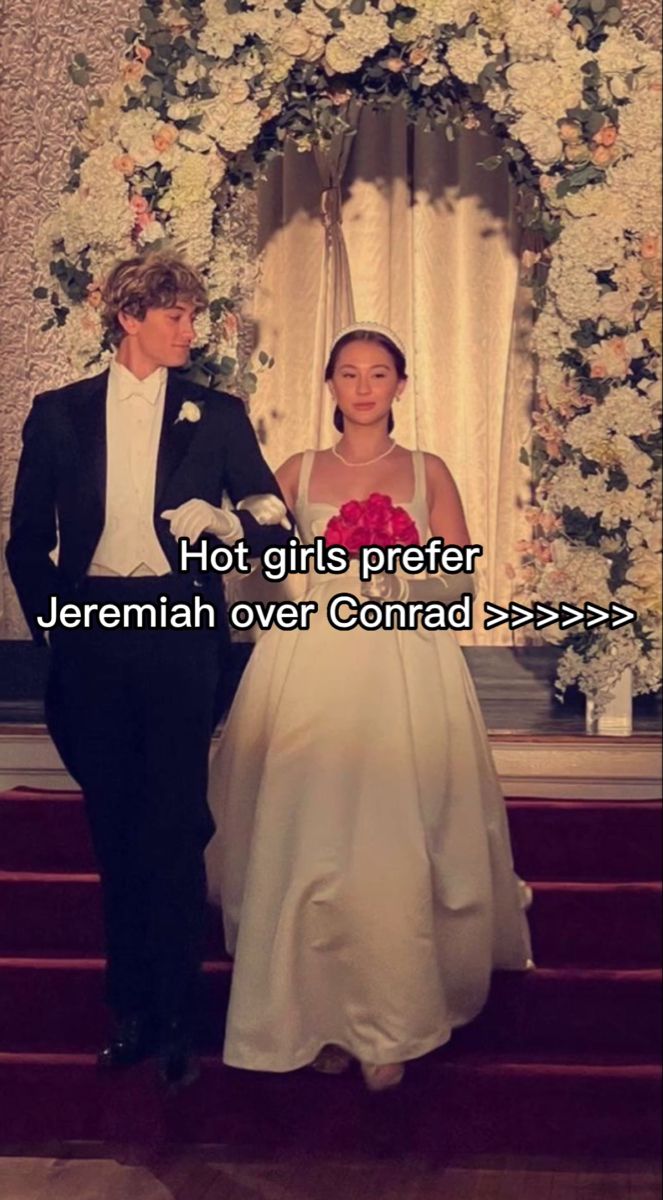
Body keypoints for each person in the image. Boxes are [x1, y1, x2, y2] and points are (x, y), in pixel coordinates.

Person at [205, 322, 532, 1091]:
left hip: (399, 662)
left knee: (386, 838)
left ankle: (387, 1018)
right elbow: (253, 575)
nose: (362, 387)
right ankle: (312, 1015)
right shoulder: (293, 469)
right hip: (309, 661)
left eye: (377, 373)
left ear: (398, 385)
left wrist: (400, 578)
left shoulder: (427, 471)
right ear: (329, 385)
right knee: (308, 837)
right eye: (348, 373)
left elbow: (457, 577)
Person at [6, 252, 291, 1088]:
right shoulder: (58, 413)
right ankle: (128, 1010)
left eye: (194, 317)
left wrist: (232, 521)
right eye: (176, 317)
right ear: (129, 318)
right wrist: (58, 627)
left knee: (172, 827)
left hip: (175, 629)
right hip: (91, 633)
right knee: (116, 833)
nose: (189, 331)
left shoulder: (218, 413)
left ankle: (179, 1019)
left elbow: (277, 521)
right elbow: (25, 540)